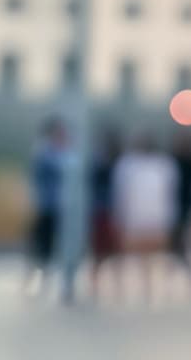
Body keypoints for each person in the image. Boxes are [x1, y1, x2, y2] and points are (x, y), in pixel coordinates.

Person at [111, 132, 180, 304]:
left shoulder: (163, 165)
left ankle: (156, 290)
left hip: (156, 216)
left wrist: (170, 218)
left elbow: (169, 194)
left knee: (156, 257)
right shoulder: (127, 165)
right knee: (132, 256)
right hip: (135, 217)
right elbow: (121, 194)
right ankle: (127, 290)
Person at [23, 117, 70, 298]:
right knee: (39, 247)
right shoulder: (45, 151)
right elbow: (62, 166)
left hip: (53, 206)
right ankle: (31, 282)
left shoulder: (53, 151)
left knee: (47, 248)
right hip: (45, 206)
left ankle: (42, 283)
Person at [87, 128, 122, 300]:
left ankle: (111, 286)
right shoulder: (101, 162)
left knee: (109, 252)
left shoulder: (111, 161)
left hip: (107, 212)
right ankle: (103, 285)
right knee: (103, 251)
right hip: (102, 212)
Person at [169, 131, 191, 294]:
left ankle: (189, 268)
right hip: (178, 207)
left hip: (189, 207)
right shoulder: (175, 163)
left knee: (189, 241)